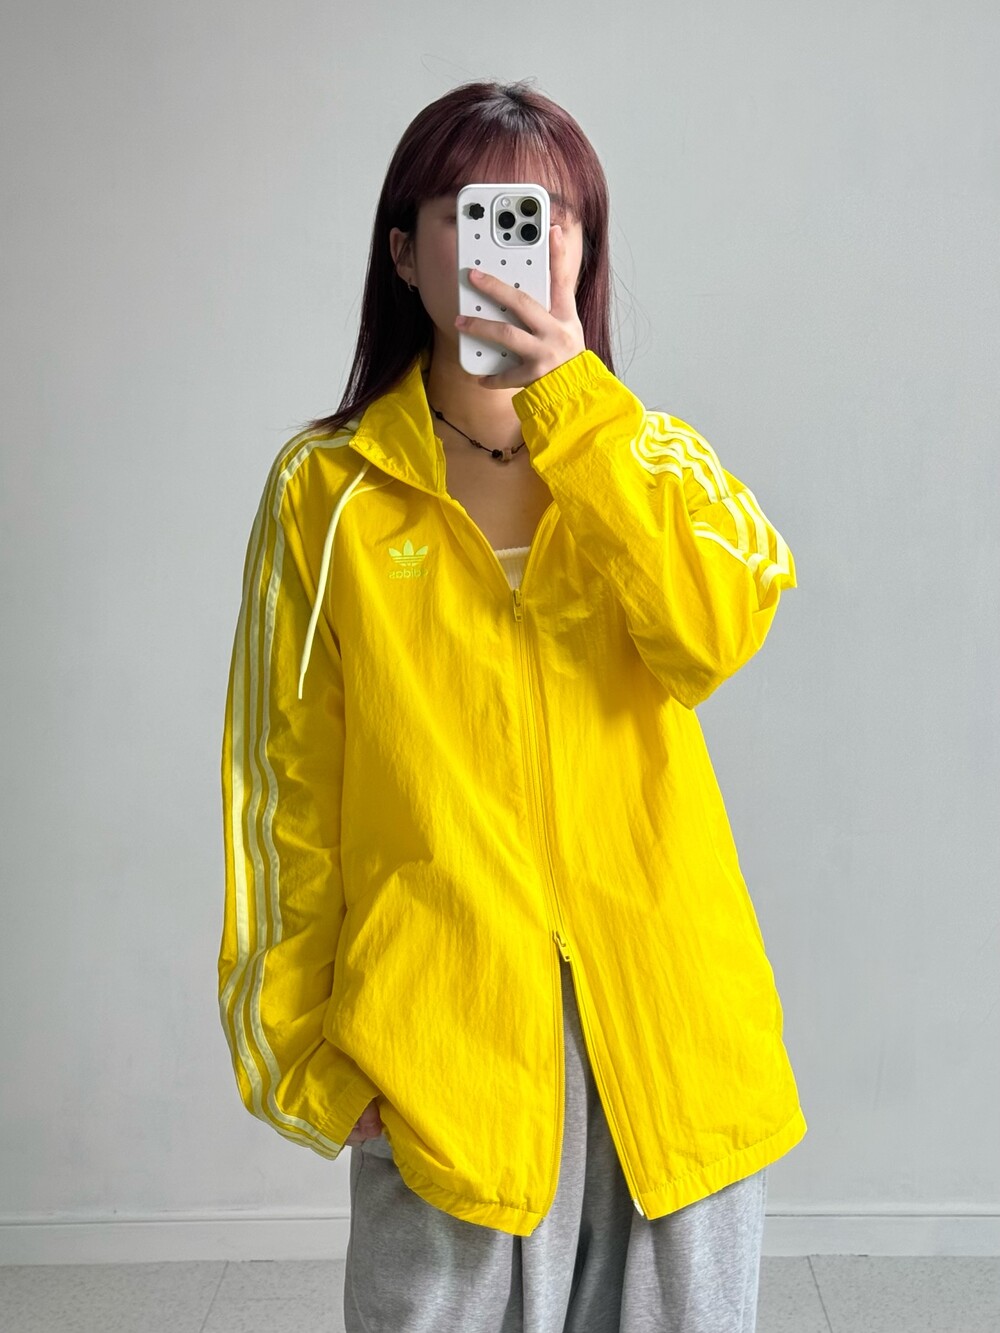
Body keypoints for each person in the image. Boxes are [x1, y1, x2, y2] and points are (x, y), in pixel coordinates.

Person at [218, 78, 806, 1332]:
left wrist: (577, 413)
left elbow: (715, 633)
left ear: (583, 252)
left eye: (555, 219)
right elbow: (283, 787)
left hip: (671, 1041)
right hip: (442, 1052)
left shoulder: (650, 458)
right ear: (403, 251)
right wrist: (310, 1057)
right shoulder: (326, 490)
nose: (518, 248)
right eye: (476, 213)